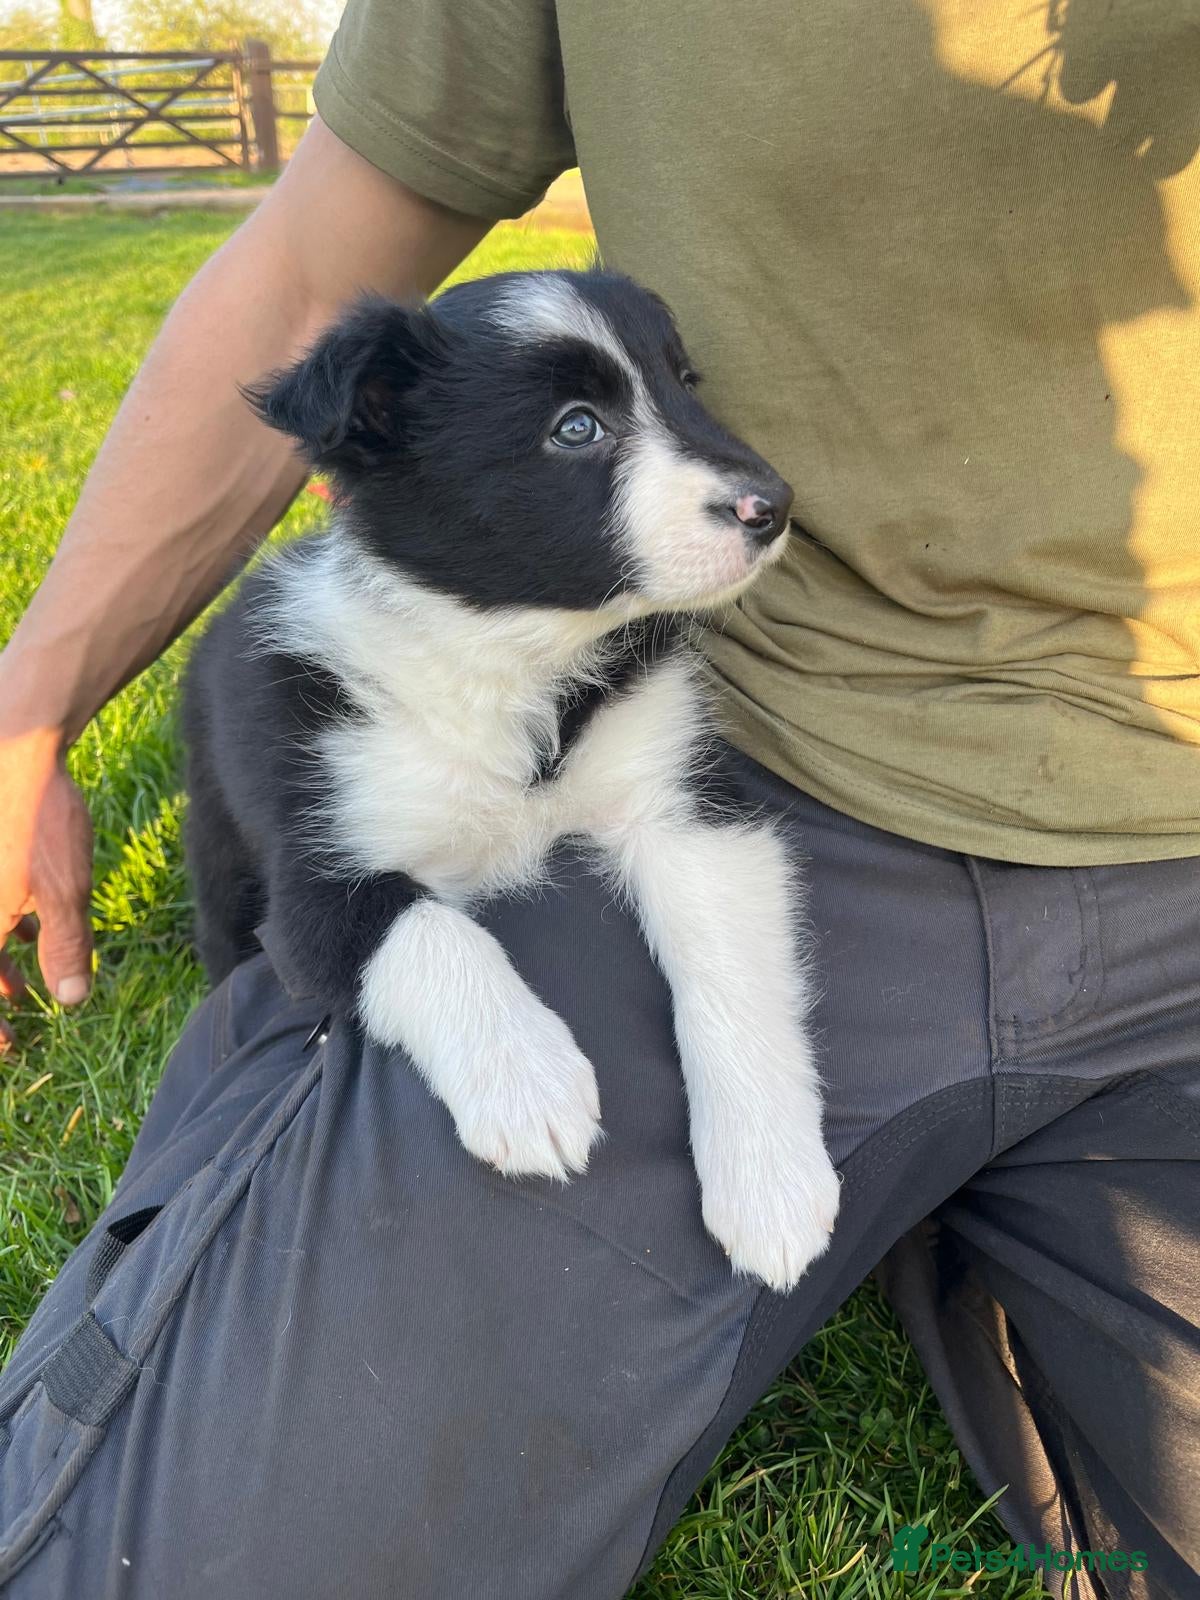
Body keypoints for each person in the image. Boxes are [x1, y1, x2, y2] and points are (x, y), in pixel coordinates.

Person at [1, 2, 1198, 1595]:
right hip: (818, 761)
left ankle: (958, 1208)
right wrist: (29, 711)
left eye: (665, 392)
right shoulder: (372, 630)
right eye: (588, 428)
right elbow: (304, 274)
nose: (728, 467)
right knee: (175, 1561)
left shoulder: (624, 673)